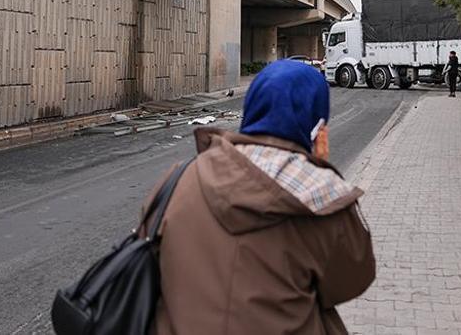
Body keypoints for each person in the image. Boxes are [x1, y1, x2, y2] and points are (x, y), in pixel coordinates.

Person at [141, 60, 376, 334]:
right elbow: (351, 282)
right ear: (318, 124)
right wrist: (317, 165)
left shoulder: (178, 180)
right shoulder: (323, 198)